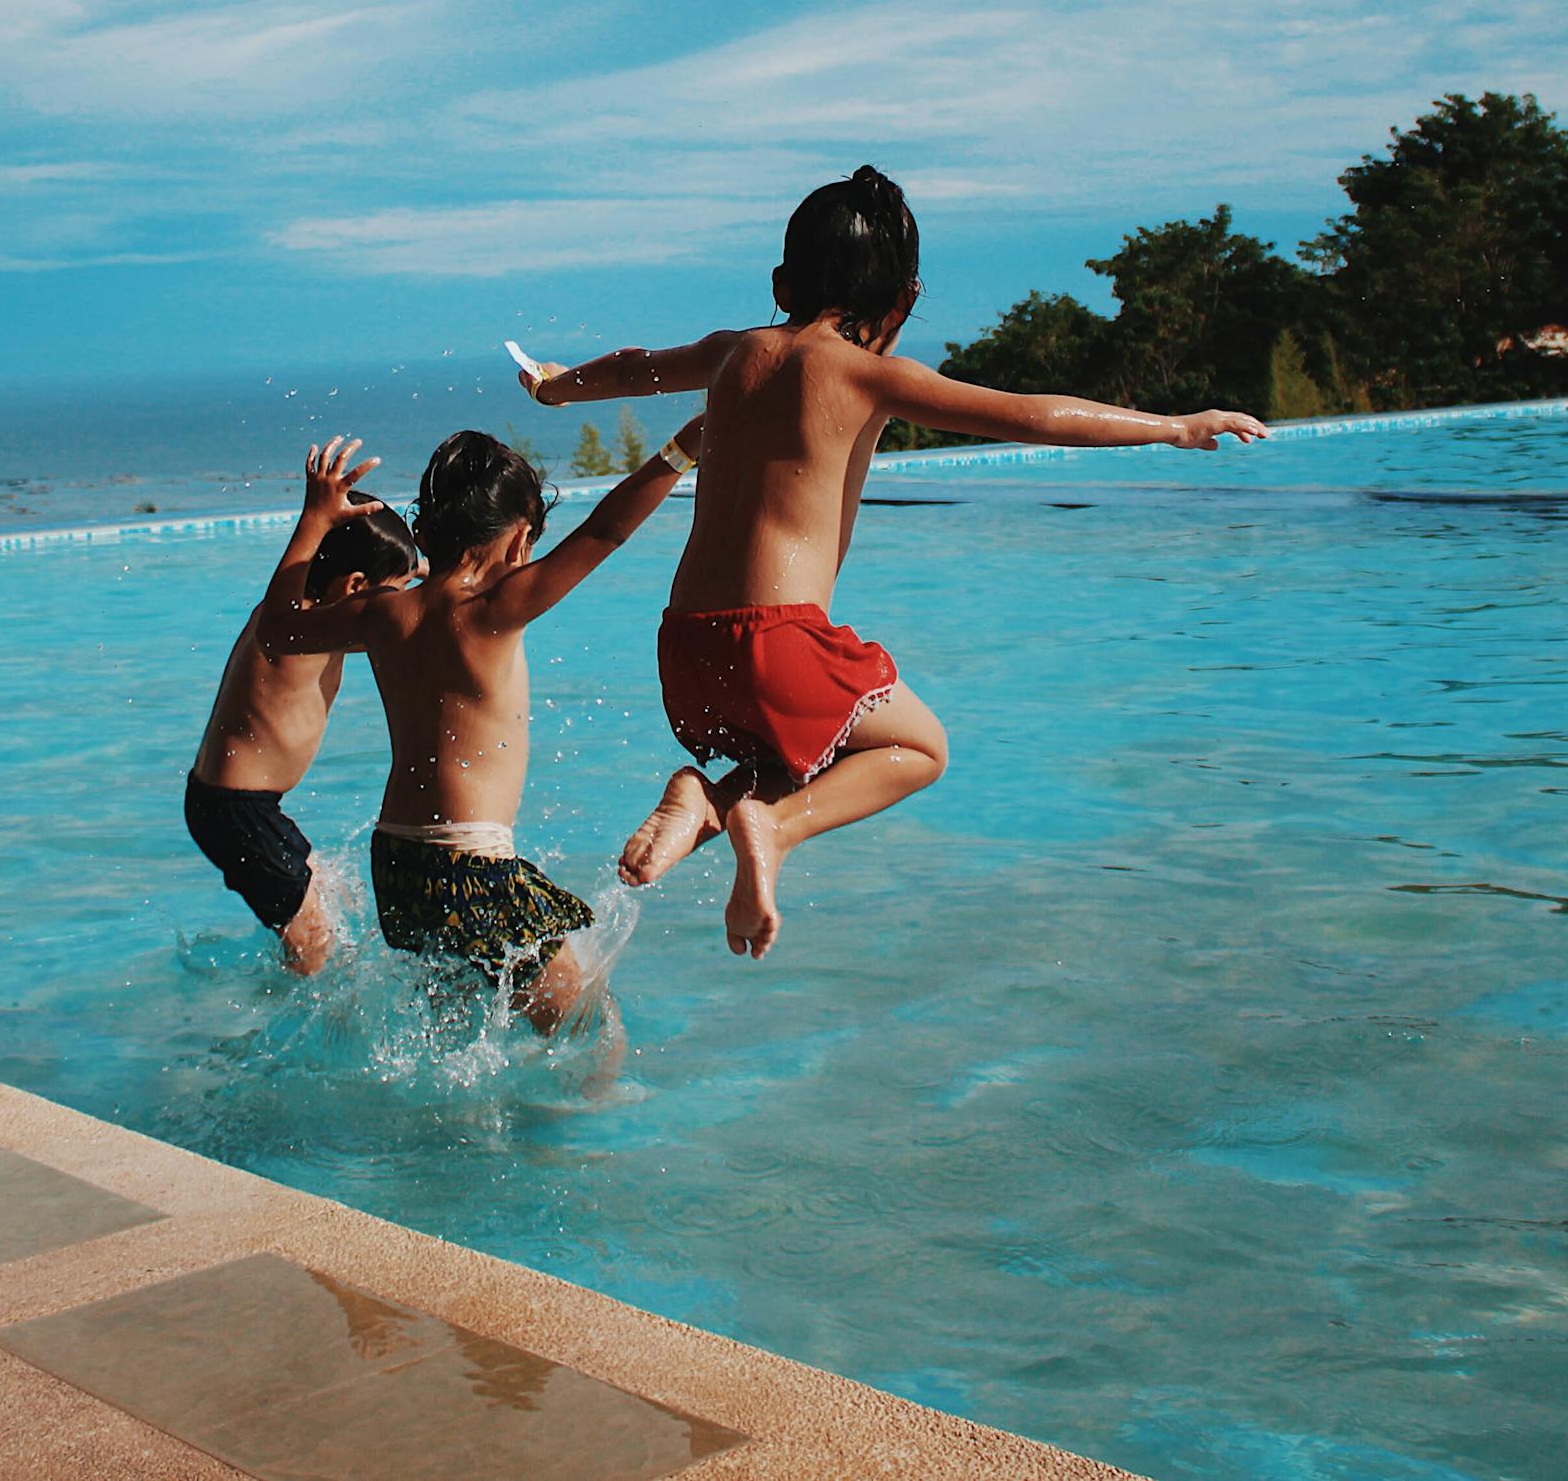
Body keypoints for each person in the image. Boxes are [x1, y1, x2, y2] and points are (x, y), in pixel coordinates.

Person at [516, 165, 1266, 958]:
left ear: (780, 280)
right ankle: (765, 823)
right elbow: (1035, 417)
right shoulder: (869, 373)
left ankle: (705, 800)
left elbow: (634, 367)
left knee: (804, 749)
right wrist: (1177, 427)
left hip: (687, 645)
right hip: (780, 641)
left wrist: (553, 389)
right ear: (904, 298)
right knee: (917, 748)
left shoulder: (732, 352)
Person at [257, 426, 697, 1048]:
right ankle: (580, 1142)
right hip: (471, 867)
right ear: (519, 535)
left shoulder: (386, 613)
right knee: (594, 1031)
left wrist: (313, 520)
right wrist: (680, 452)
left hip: (398, 867)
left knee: (461, 1025)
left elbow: (275, 630)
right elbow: (605, 531)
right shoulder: (493, 608)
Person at [184, 480, 420, 973]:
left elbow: (408, 601)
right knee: (314, 944)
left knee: (331, 893)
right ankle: (293, 1033)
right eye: (392, 593)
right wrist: (314, 517)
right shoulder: (288, 627)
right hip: (236, 809)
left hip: (239, 804)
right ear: (355, 587)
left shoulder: (322, 622)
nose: (398, 602)